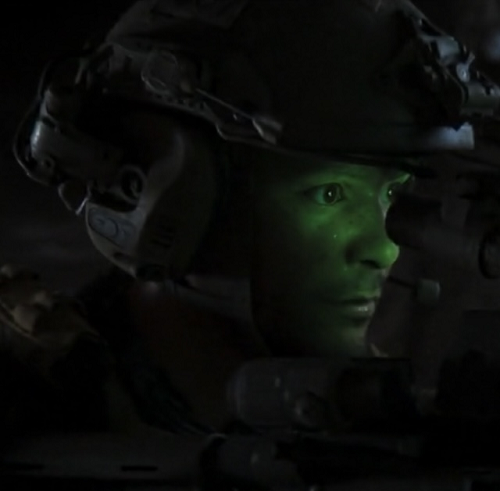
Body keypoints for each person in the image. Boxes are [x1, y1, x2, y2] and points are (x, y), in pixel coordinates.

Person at [5, 0, 493, 434]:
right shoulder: (39, 407)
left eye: (391, 192)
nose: (382, 250)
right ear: (167, 192)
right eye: (329, 194)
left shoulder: (370, 413)